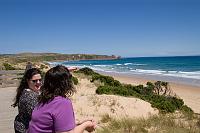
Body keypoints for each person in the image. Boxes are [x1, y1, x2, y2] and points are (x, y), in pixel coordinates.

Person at [28, 65, 96, 133]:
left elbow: (53, 124)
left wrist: (79, 123)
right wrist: (85, 125)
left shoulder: (44, 99)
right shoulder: (62, 103)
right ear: (65, 83)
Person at [12, 68, 42, 133]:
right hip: (25, 128)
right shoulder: (30, 97)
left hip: (20, 125)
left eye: (40, 80)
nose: (38, 82)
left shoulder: (26, 90)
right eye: (34, 81)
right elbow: (37, 117)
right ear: (28, 81)